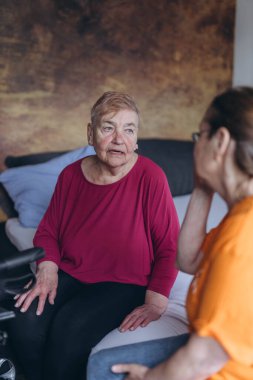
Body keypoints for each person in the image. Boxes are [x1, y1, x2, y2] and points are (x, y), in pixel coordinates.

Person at [7, 91, 179, 380]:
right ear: (91, 133)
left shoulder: (151, 177)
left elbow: (170, 246)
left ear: (136, 139)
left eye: (129, 130)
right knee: (23, 320)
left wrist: (155, 302)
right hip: (70, 272)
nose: (118, 139)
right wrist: (47, 270)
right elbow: (48, 231)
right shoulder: (71, 175)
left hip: (124, 282)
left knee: (69, 331)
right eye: (108, 127)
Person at [87, 86, 253, 380]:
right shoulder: (238, 217)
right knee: (105, 363)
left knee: (107, 370)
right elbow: (188, 260)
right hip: (213, 350)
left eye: (199, 136)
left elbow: (202, 359)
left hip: (221, 369)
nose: (195, 146)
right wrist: (202, 186)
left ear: (221, 141)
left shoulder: (243, 236)